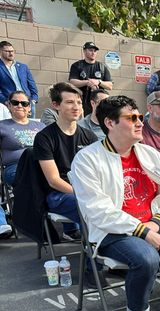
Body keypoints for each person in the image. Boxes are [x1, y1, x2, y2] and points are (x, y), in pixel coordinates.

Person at [70, 95, 160, 311]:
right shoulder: (87, 159)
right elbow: (98, 210)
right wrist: (142, 230)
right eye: (132, 118)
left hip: (153, 223)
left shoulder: (148, 154)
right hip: (114, 231)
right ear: (110, 123)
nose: (140, 122)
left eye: (139, 117)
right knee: (146, 259)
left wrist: (156, 223)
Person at [33, 82, 98, 240]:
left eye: (78, 102)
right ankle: (94, 261)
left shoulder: (90, 136)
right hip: (59, 194)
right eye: (69, 102)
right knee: (93, 209)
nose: (76, 107)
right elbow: (54, 180)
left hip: (87, 190)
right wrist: (85, 194)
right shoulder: (44, 137)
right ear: (56, 105)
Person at [0, 90, 45, 237]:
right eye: (15, 102)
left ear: (29, 107)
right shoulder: (2, 126)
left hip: (42, 166)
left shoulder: (41, 126)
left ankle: (71, 229)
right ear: (8, 105)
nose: (20, 106)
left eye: (24, 103)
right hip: (15, 168)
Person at [68, 42, 113, 115]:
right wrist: (87, 82)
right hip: (82, 103)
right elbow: (72, 82)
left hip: (99, 103)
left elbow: (110, 86)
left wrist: (99, 82)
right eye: (91, 50)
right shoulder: (77, 65)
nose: (93, 53)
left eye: (95, 51)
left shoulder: (102, 67)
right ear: (84, 51)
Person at [0, 41, 38, 112]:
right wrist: (5, 101)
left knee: (30, 123)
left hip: (27, 103)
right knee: (12, 123)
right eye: (7, 51)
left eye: (12, 51)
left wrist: (34, 99)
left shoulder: (23, 67)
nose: (11, 53)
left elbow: (31, 84)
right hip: (10, 103)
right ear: (0, 52)